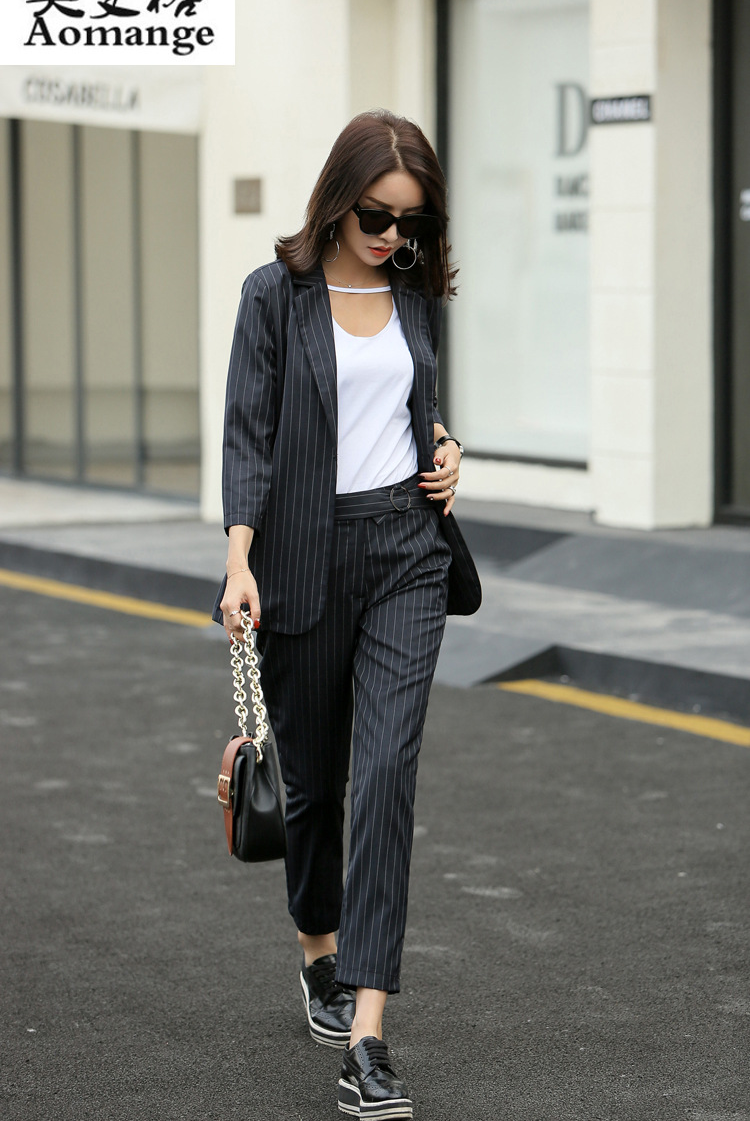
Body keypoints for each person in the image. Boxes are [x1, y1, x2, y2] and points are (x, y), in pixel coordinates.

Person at [212, 108, 481, 1119]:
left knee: (388, 776)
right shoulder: (274, 295)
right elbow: (249, 433)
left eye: (412, 222)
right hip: (302, 558)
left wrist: (446, 447)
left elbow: (412, 404)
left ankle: (368, 1036)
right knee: (315, 787)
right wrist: (239, 561)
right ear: (338, 200)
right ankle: (318, 951)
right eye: (377, 216)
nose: (393, 237)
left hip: (407, 551)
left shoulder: (410, 289)